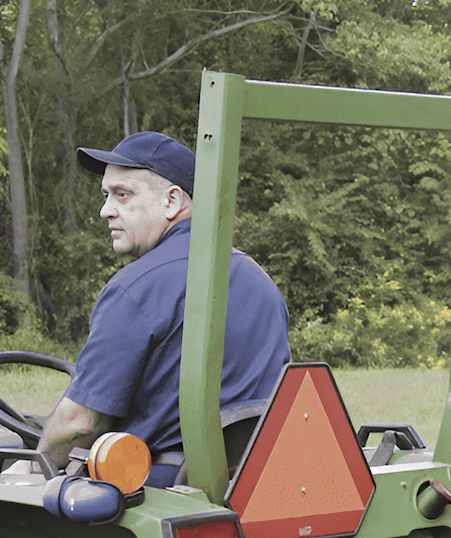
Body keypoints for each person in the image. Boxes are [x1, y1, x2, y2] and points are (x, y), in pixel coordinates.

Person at [35, 131, 291, 487]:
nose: (106, 210)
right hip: (253, 485)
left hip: (159, 487)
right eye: (106, 195)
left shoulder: (136, 287)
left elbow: (79, 424)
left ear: (172, 201)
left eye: (122, 195)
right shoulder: (260, 280)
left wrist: (32, 469)